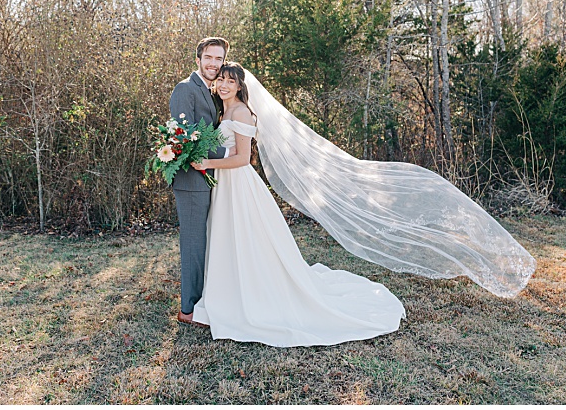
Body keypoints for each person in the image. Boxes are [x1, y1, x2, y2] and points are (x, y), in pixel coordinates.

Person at [188, 61, 536, 347]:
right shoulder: (225, 109)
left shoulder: (243, 113)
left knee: (248, 242)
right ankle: (227, 294)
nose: (223, 84)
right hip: (227, 189)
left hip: (239, 185)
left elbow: (241, 160)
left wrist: (206, 164)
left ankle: (248, 298)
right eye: (221, 80)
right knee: (231, 242)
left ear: (240, 86)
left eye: (230, 81)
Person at [168, 37, 229, 326]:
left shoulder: (214, 92)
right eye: (209, 57)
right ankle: (188, 310)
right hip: (191, 179)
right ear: (198, 59)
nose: (213, 64)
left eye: (218, 59)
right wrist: (231, 152)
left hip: (210, 176)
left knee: (207, 242)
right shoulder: (185, 89)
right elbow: (186, 138)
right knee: (193, 244)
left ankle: (207, 300)